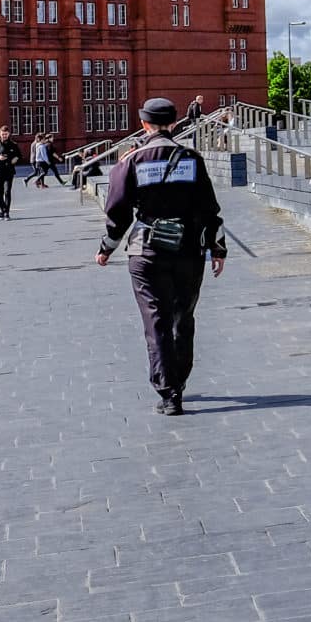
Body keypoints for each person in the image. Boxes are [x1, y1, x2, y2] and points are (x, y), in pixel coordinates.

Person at [96, 97, 227, 415]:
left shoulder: (131, 160)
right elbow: (209, 207)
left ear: (144, 124)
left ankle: (169, 393)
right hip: (187, 250)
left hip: (147, 250)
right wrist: (217, 247)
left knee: (156, 320)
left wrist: (106, 247)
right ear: (174, 123)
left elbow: (118, 210)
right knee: (183, 317)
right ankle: (179, 380)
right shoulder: (192, 159)